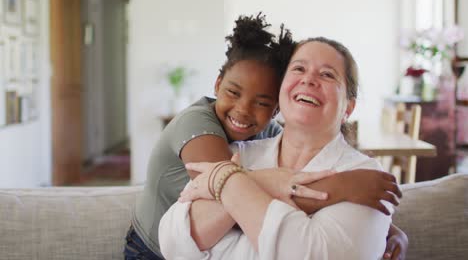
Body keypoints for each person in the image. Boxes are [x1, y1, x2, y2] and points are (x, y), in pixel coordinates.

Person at [125, 14, 407, 259]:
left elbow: (303, 252)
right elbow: (176, 240)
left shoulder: (364, 177)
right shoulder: (226, 141)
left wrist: (387, 228)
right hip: (147, 248)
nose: (309, 79)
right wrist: (333, 189)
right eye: (299, 68)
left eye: (327, 75)